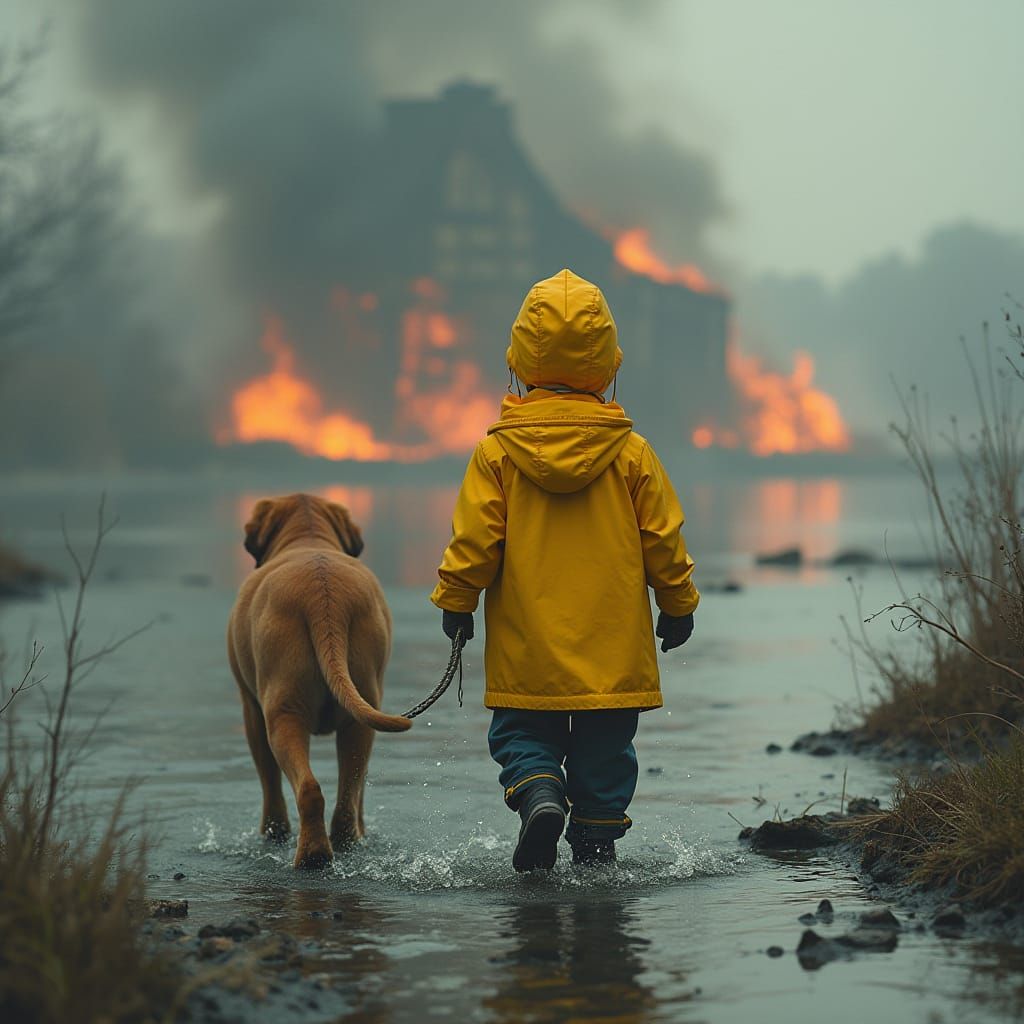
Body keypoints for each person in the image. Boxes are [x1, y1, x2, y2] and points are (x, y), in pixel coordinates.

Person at [430, 268, 699, 871]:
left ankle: (540, 795)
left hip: (529, 650)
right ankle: (596, 855)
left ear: (519, 359)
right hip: (612, 652)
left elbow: (474, 540)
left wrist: (457, 600)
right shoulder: (632, 453)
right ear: (608, 362)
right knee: (607, 754)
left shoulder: (497, 451)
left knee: (522, 736)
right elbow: (664, 539)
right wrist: (679, 605)